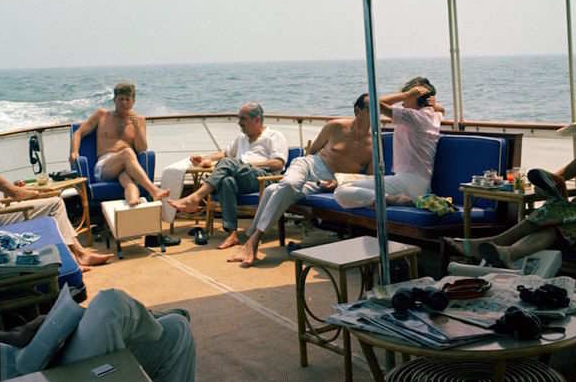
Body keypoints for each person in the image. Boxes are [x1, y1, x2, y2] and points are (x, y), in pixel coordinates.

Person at [0, 199, 196, 382]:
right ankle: (146, 318)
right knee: (111, 304)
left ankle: (149, 321)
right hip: (20, 375)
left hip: (21, 353)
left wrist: (19, 334)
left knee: (178, 329)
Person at [446, 97, 576, 268]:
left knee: (553, 211)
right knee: (553, 228)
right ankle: (509, 253)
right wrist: (550, 184)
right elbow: (559, 176)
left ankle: (494, 241)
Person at [228, 94, 374, 267]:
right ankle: (254, 240)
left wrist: (339, 183)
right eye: (371, 109)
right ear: (357, 111)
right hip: (310, 165)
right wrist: (305, 172)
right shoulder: (336, 127)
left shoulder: (374, 142)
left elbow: (368, 177)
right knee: (289, 184)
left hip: (331, 181)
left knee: (272, 190)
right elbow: (311, 152)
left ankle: (250, 241)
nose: (376, 114)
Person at [0, 116, 111, 269]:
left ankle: (77, 254)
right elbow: (15, 193)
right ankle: (77, 255)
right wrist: (40, 194)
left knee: (53, 205)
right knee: (55, 203)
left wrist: (28, 192)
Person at [167, 103, 288, 249]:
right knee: (227, 181)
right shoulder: (241, 138)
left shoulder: (274, 136)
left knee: (229, 164)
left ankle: (195, 197)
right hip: (241, 177)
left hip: (264, 179)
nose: (239, 123)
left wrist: (248, 165)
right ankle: (232, 234)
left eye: (243, 119)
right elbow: (225, 154)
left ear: (256, 120)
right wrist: (206, 159)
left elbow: (278, 163)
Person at [333, 77, 444, 209]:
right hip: (419, 185)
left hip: (407, 182)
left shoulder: (413, 117)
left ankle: (392, 199)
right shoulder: (434, 116)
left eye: (406, 99)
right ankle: (386, 198)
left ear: (417, 99)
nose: (402, 103)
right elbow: (441, 109)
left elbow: (371, 104)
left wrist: (406, 94)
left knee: (341, 191)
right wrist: (428, 101)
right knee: (347, 184)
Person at [70, 83, 169, 206]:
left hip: (126, 167)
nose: (124, 103)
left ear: (133, 101)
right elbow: (78, 133)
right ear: (114, 100)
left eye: (128, 99)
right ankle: (153, 190)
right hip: (105, 167)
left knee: (130, 184)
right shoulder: (102, 115)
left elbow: (141, 149)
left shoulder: (139, 121)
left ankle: (132, 206)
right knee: (127, 152)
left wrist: (137, 127)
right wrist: (74, 152)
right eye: (121, 99)